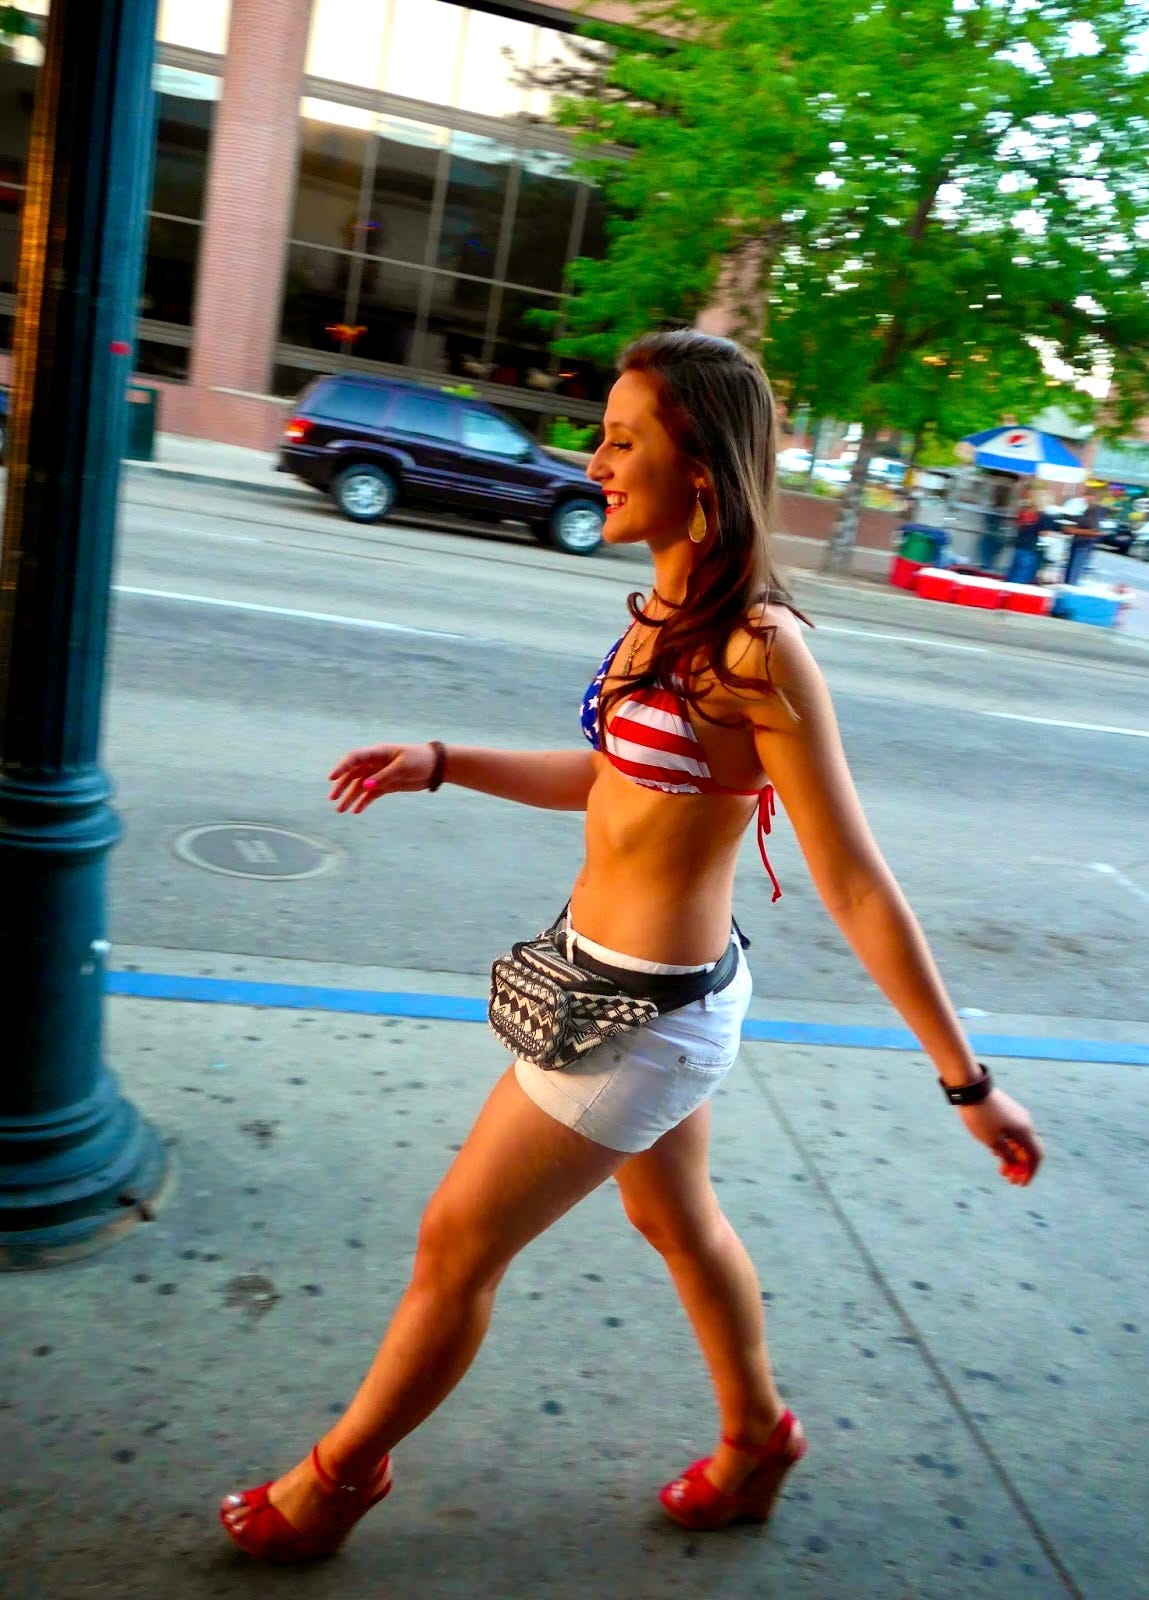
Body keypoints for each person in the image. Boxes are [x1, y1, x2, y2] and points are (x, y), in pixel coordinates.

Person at [219, 330, 1044, 1563]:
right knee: (676, 1220)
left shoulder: (758, 646)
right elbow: (614, 778)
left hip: (644, 1020)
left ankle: (336, 1480)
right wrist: (444, 762)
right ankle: (758, 1439)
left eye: (621, 440)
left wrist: (966, 1083)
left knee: (456, 1241)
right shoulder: (662, 610)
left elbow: (856, 881)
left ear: (700, 466)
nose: (592, 462)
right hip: (609, 983)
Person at [1006, 482, 1053, 585]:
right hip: (1031, 551)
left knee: (1012, 578)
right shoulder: (1044, 517)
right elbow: (1045, 536)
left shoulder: (1023, 512)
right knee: (1021, 581)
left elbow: (1018, 527)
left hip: (1019, 548)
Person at [1065, 487, 1104, 586]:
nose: (1086, 498)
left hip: (1084, 544)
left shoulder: (1095, 511)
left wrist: (1074, 531)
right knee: (1070, 570)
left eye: (1088, 496)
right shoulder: (1084, 509)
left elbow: (1096, 531)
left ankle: (1070, 588)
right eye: (1085, 496)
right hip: (1076, 542)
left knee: (1075, 571)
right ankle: (1067, 586)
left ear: (1094, 497)